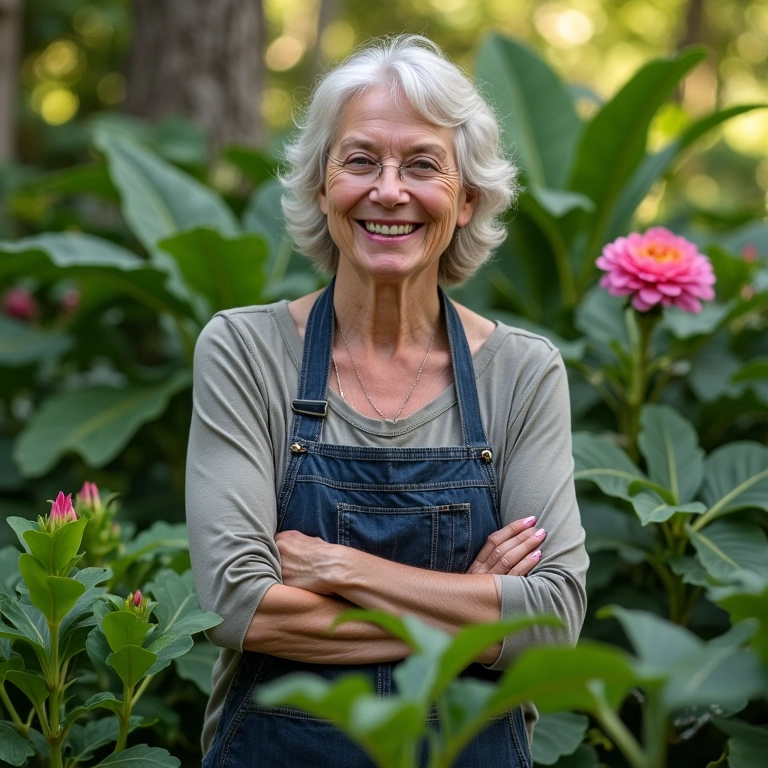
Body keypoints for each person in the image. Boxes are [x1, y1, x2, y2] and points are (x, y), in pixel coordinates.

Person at [186, 34, 588, 768]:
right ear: (320, 187)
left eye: (423, 165)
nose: (389, 190)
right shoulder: (245, 353)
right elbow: (236, 605)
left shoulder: (523, 373)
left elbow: (553, 622)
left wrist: (346, 571)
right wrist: (468, 606)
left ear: (467, 200)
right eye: (361, 160)